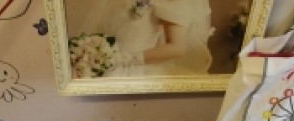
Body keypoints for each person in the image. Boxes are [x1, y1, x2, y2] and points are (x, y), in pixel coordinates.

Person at [73, 0, 213, 76]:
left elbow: (177, 48)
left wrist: (122, 59)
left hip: (137, 70)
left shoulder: (171, 2)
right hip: (106, 66)